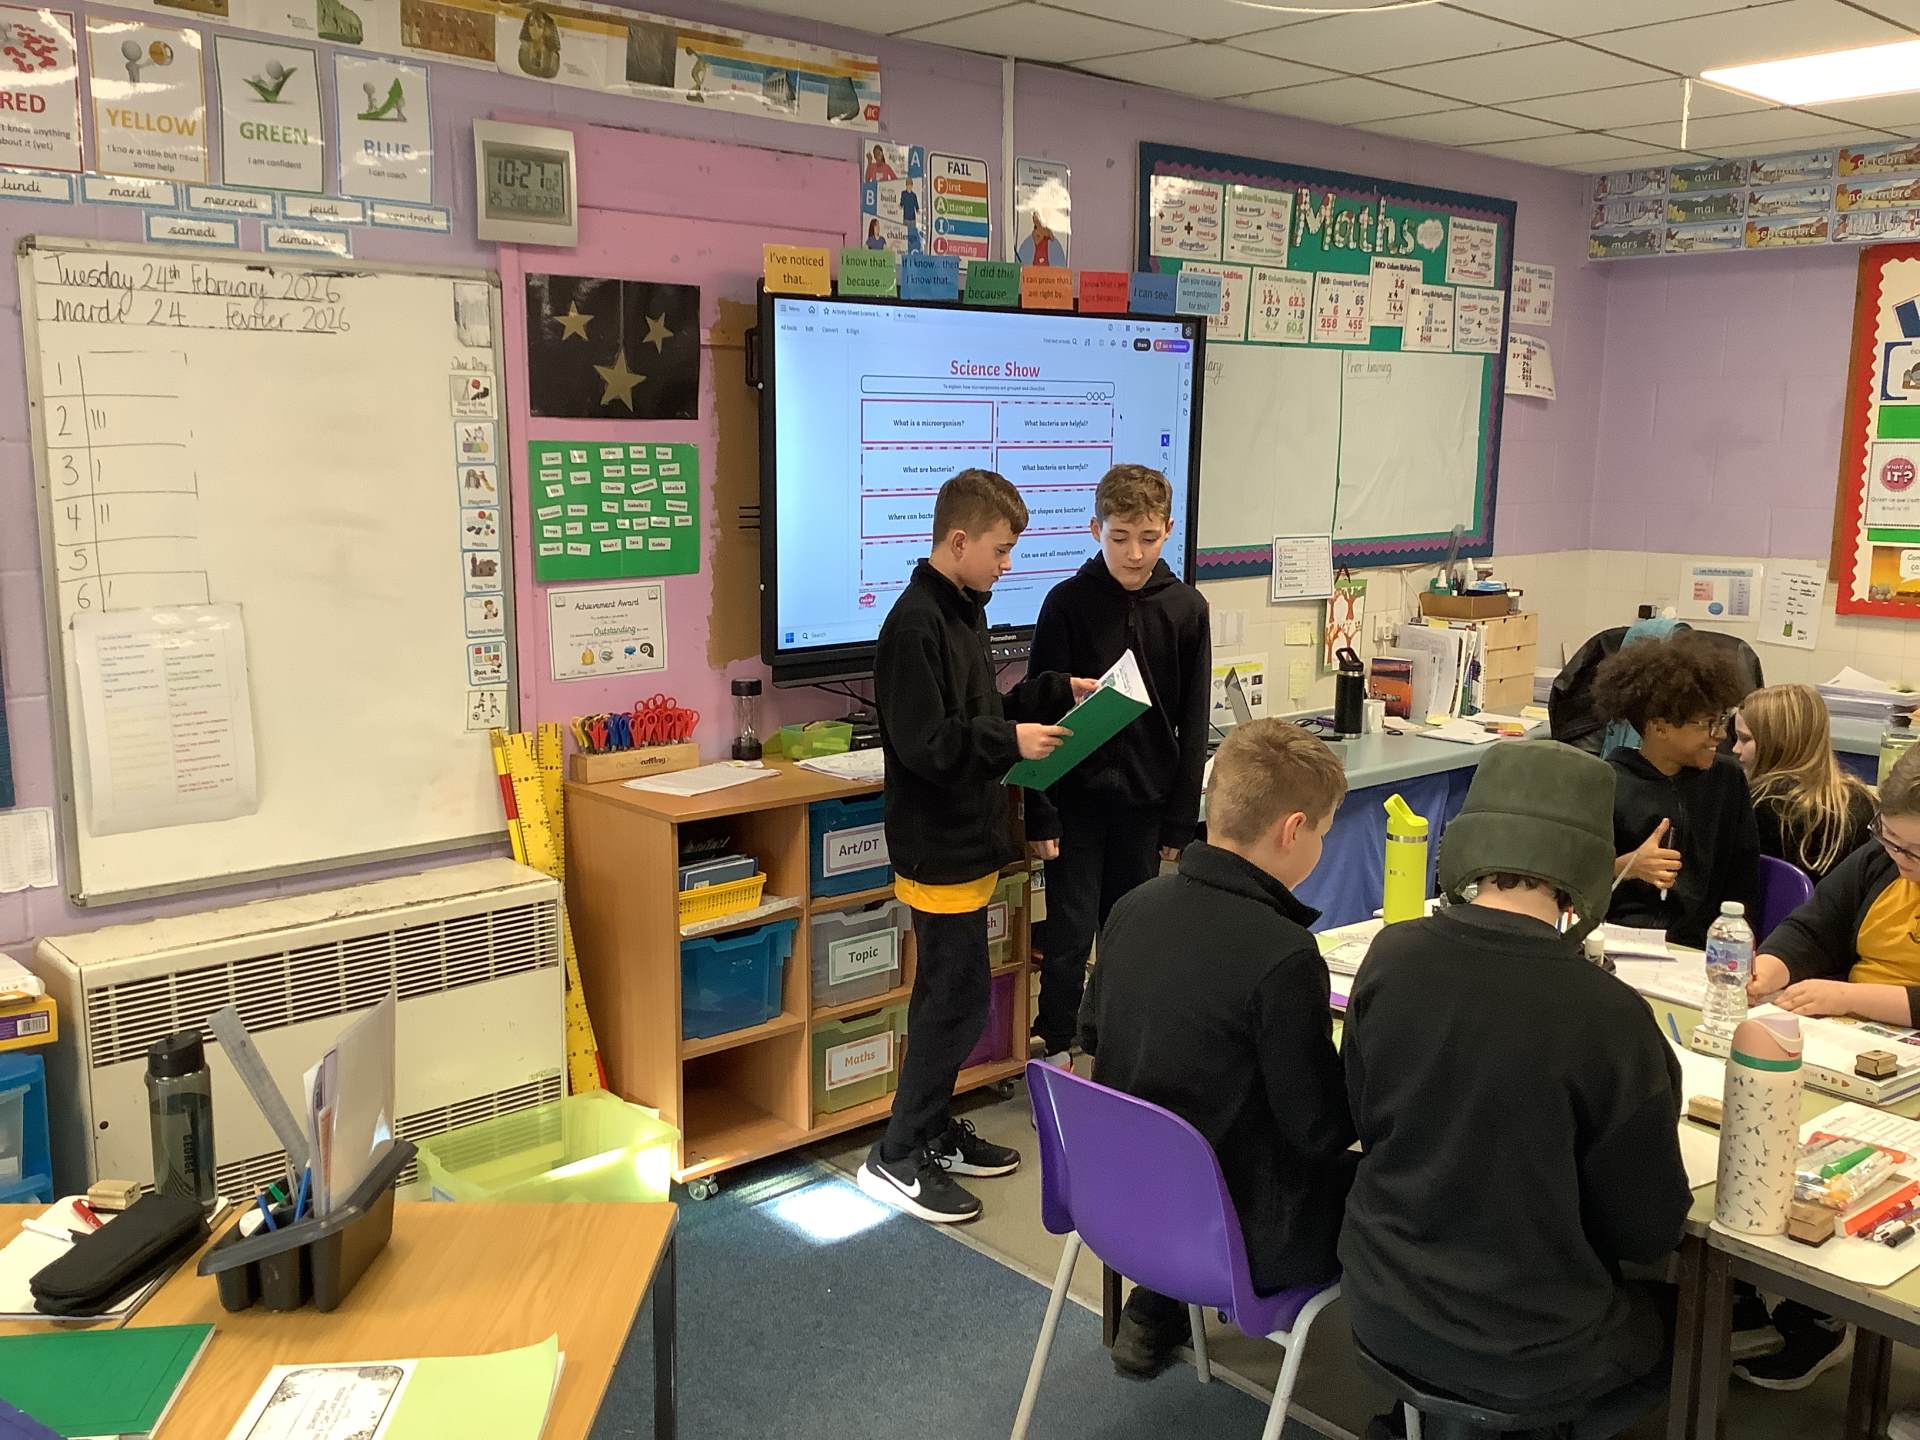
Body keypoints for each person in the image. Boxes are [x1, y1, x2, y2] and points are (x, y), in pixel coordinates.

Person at [1341, 741, 1691, 1435]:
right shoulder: (1610, 1016)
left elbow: (1363, 1113)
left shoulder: (1390, 955)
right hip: (1529, 1347)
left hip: (1381, 1304)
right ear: (1589, 863)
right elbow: (1648, 1228)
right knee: (1689, 1322)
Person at [1077, 719, 1355, 1379]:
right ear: (1293, 830)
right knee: (1395, 1184)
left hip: (1119, 1198)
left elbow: (1093, 1038)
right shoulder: (1284, 955)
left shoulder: (1132, 907)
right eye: (1323, 831)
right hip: (1238, 1231)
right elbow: (1318, 1130)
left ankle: (1157, 1304)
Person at [857, 469, 1093, 1225]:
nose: (1007, 564)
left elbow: (982, 713)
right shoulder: (914, 625)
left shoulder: (964, 611)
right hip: (937, 845)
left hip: (971, 838)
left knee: (955, 995)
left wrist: (1052, 693)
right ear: (958, 541)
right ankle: (896, 1153)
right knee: (952, 1002)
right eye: (1000, 549)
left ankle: (929, 1131)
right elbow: (928, 744)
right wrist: (1008, 739)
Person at [1024, 465, 1210, 1067]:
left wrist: (1180, 821)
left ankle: (1117, 1048)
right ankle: (1056, 1044)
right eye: (1120, 537)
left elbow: (1193, 720)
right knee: (1069, 933)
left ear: (1168, 530)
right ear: (1095, 530)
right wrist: (1039, 812)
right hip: (1075, 804)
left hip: (1146, 806)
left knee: (1130, 933)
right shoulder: (1066, 604)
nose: (1134, 553)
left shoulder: (1187, 608)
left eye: (1148, 539)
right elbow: (1039, 711)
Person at [1596, 630, 1759, 947]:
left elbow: (1743, 880)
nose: (1720, 735)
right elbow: (1570, 882)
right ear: (1660, 727)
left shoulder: (1727, 782)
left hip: (1702, 948)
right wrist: (1626, 867)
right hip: (1619, 941)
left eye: (1721, 720)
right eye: (1707, 724)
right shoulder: (1607, 783)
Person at [1733, 683, 1875, 884]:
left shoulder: (1762, 803)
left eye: (1745, 739)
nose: (1735, 749)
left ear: (1778, 741)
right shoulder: (1862, 800)